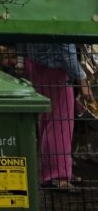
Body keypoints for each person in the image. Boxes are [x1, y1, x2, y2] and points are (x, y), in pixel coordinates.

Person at [22, 43, 91, 190]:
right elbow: (66, 48)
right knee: (61, 123)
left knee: (47, 119)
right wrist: (82, 80)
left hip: (36, 64)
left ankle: (55, 172)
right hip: (55, 68)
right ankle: (59, 176)